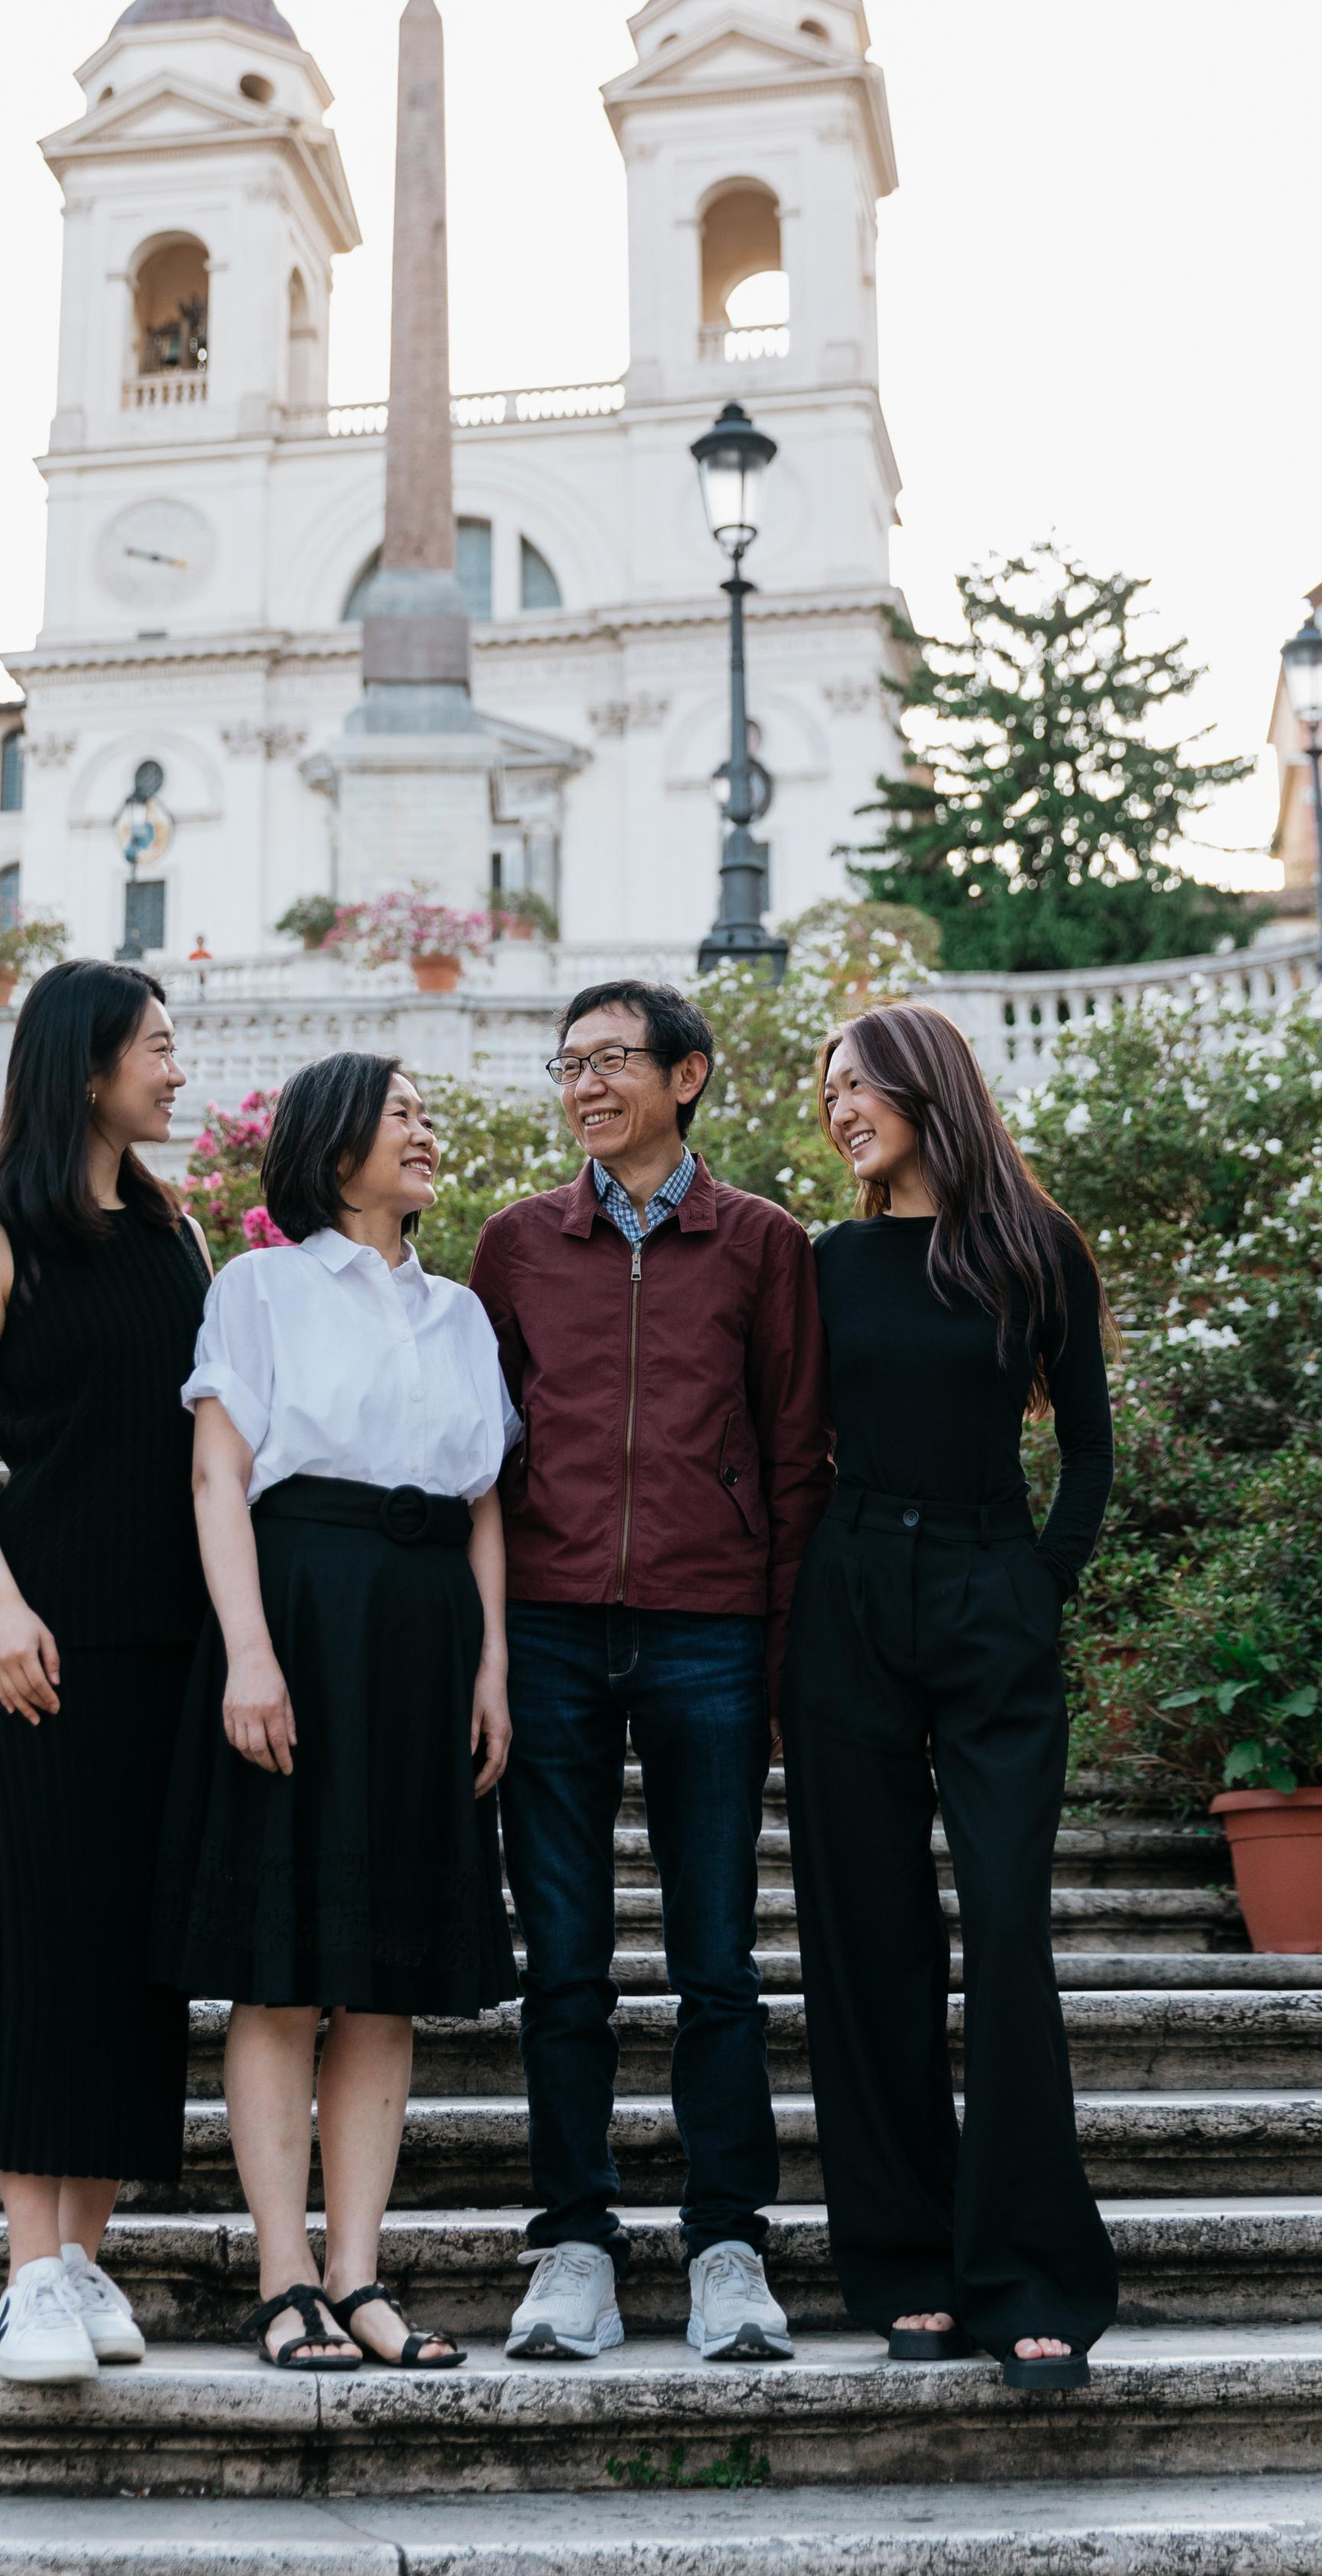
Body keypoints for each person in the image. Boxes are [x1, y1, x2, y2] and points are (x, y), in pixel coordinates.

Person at [468, 981, 833, 2366]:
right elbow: (481, 1455)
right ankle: (575, 2245)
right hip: (550, 1627)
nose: (586, 1084)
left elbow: (796, 1459)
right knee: (563, 1966)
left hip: (711, 1631)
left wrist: (782, 1658)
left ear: (687, 1076)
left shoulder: (763, 1243)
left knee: (717, 1963)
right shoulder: (516, 1244)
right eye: (569, 1063)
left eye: (614, 1059)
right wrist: (486, 1644)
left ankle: (728, 2246)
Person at [150, 1052, 519, 2372]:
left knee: (385, 1976)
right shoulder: (259, 1287)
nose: (425, 1130)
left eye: (426, 1112)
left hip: (426, 1635)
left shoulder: (462, 1314)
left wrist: (492, 1667)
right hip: (301, 1612)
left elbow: (483, 1500)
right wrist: (249, 1652)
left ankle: (360, 2276)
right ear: (333, 1141)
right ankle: (284, 2278)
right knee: (282, 1966)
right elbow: (218, 1475)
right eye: (400, 1112)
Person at [784, 998, 1119, 2393]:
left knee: (1007, 1930)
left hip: (991, 1589)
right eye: (828, 1091)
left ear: (929, 1088)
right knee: (868, 1939)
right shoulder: (824, 1262)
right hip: (851, 1590)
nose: (840, 1109)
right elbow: (785, 1440)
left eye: (860, 1084)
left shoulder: (1036, 1247)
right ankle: (905, 2264)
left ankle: (1029, 2271)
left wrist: (1038, 1585)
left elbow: (1089, 1449)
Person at [0, 959, 212, 2386]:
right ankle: (25, 2275)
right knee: (47, 1944)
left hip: (171, 1641)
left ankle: (87, 2254)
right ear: (87, 1070)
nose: (176, 1067)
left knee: (141, 1956)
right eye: (156, 1045)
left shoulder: (178, 1232)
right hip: (40, 1636)